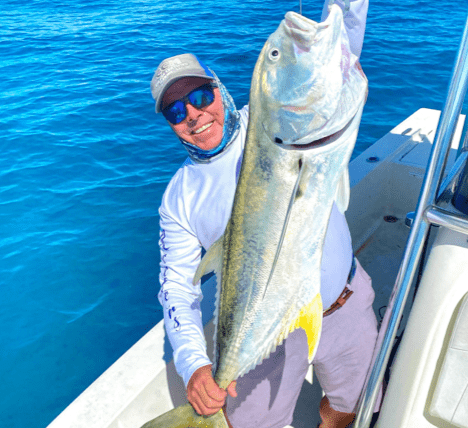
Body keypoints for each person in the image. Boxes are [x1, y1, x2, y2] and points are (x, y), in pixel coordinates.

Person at [152, 1, 380, 427]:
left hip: (343, 305)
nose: (195, 115)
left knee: (351, 405)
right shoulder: (178, 198)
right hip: (264, 339)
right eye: (176, 111)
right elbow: (176, 287)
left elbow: (341, 48)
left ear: (219, 89)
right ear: (170, 123)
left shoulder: (275, 121)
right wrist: (195, 366)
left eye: (201, 96)